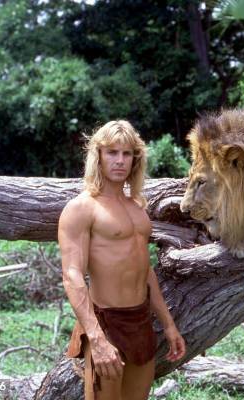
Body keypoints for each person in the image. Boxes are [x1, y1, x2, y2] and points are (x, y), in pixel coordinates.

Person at [59, 120, 186, 400]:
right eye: (112, 153)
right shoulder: (82, 208)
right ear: (98, 156)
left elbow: (145, 270)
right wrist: (96, 338)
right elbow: (72, 275)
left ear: (135, 159)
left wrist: (167, 323)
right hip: (106, 323)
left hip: (141, 321)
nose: (120, 161)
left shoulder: (137, 208)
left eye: (127, 153)